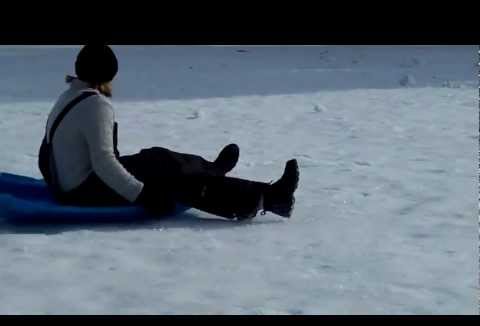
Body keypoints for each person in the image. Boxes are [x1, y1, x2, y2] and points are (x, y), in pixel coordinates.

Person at [38, 45, 300, 221]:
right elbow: (105, 163)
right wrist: (141, 195)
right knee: (177, 182)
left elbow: (47, 151)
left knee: (158, 158)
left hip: (72, 183)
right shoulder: (95, 105)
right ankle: (270, 197)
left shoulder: (69, 96)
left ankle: (211, 169)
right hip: (85, 189)